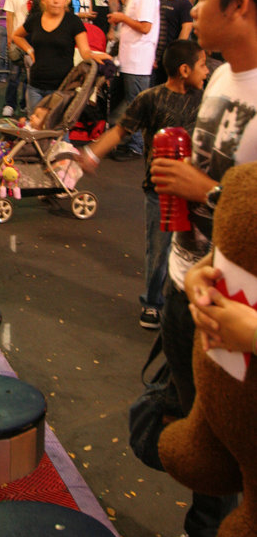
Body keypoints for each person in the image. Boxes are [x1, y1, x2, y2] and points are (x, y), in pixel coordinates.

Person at [122, 0, 257, 537]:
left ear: (240, 4)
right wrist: (199, 264)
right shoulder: (221, 79)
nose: (190, 10)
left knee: (250, 447)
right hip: (194, 286)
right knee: (206, 432)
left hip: (247, 320)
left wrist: (201, 194)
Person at [80, 40, 208, 329]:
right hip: (159, 190)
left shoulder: (206, 98)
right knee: (159, 248)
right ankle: (152, 304)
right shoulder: (151, 98)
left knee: (197, 249)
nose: (206, 71)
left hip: (196, 189)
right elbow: (122, 129)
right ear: (184, 69)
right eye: (202, 65)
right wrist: (92, 154)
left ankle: (189, 303)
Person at [10, 0, 110, 113]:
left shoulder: (73, 22)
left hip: (61, 88)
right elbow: (16, 36)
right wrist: (30, 50)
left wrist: (95, 55)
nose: (56, 0)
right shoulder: (35, 19)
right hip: (35, 85)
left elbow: (85, 51)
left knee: (58, 131)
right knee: (34, 130)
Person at [107, 0, 160, 158]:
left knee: (134, 104)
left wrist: (122, 18)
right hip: (130, 59)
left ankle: (136, 146)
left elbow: (145, 27)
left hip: (139, 60)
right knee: (127, 103)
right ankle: (128, 142)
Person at [2, 0, 41, 116]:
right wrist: (10, 36)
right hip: (18, 37)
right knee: (14, 73)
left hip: (36, 38)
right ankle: (9, 104)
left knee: (31, 74)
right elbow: (9, 16)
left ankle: (25, 104)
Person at [153, 0, 194, 84]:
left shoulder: (184, 4)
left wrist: (176, 54)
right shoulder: (161, 1)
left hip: (170, 56)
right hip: (157, 54)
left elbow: (186, 30)